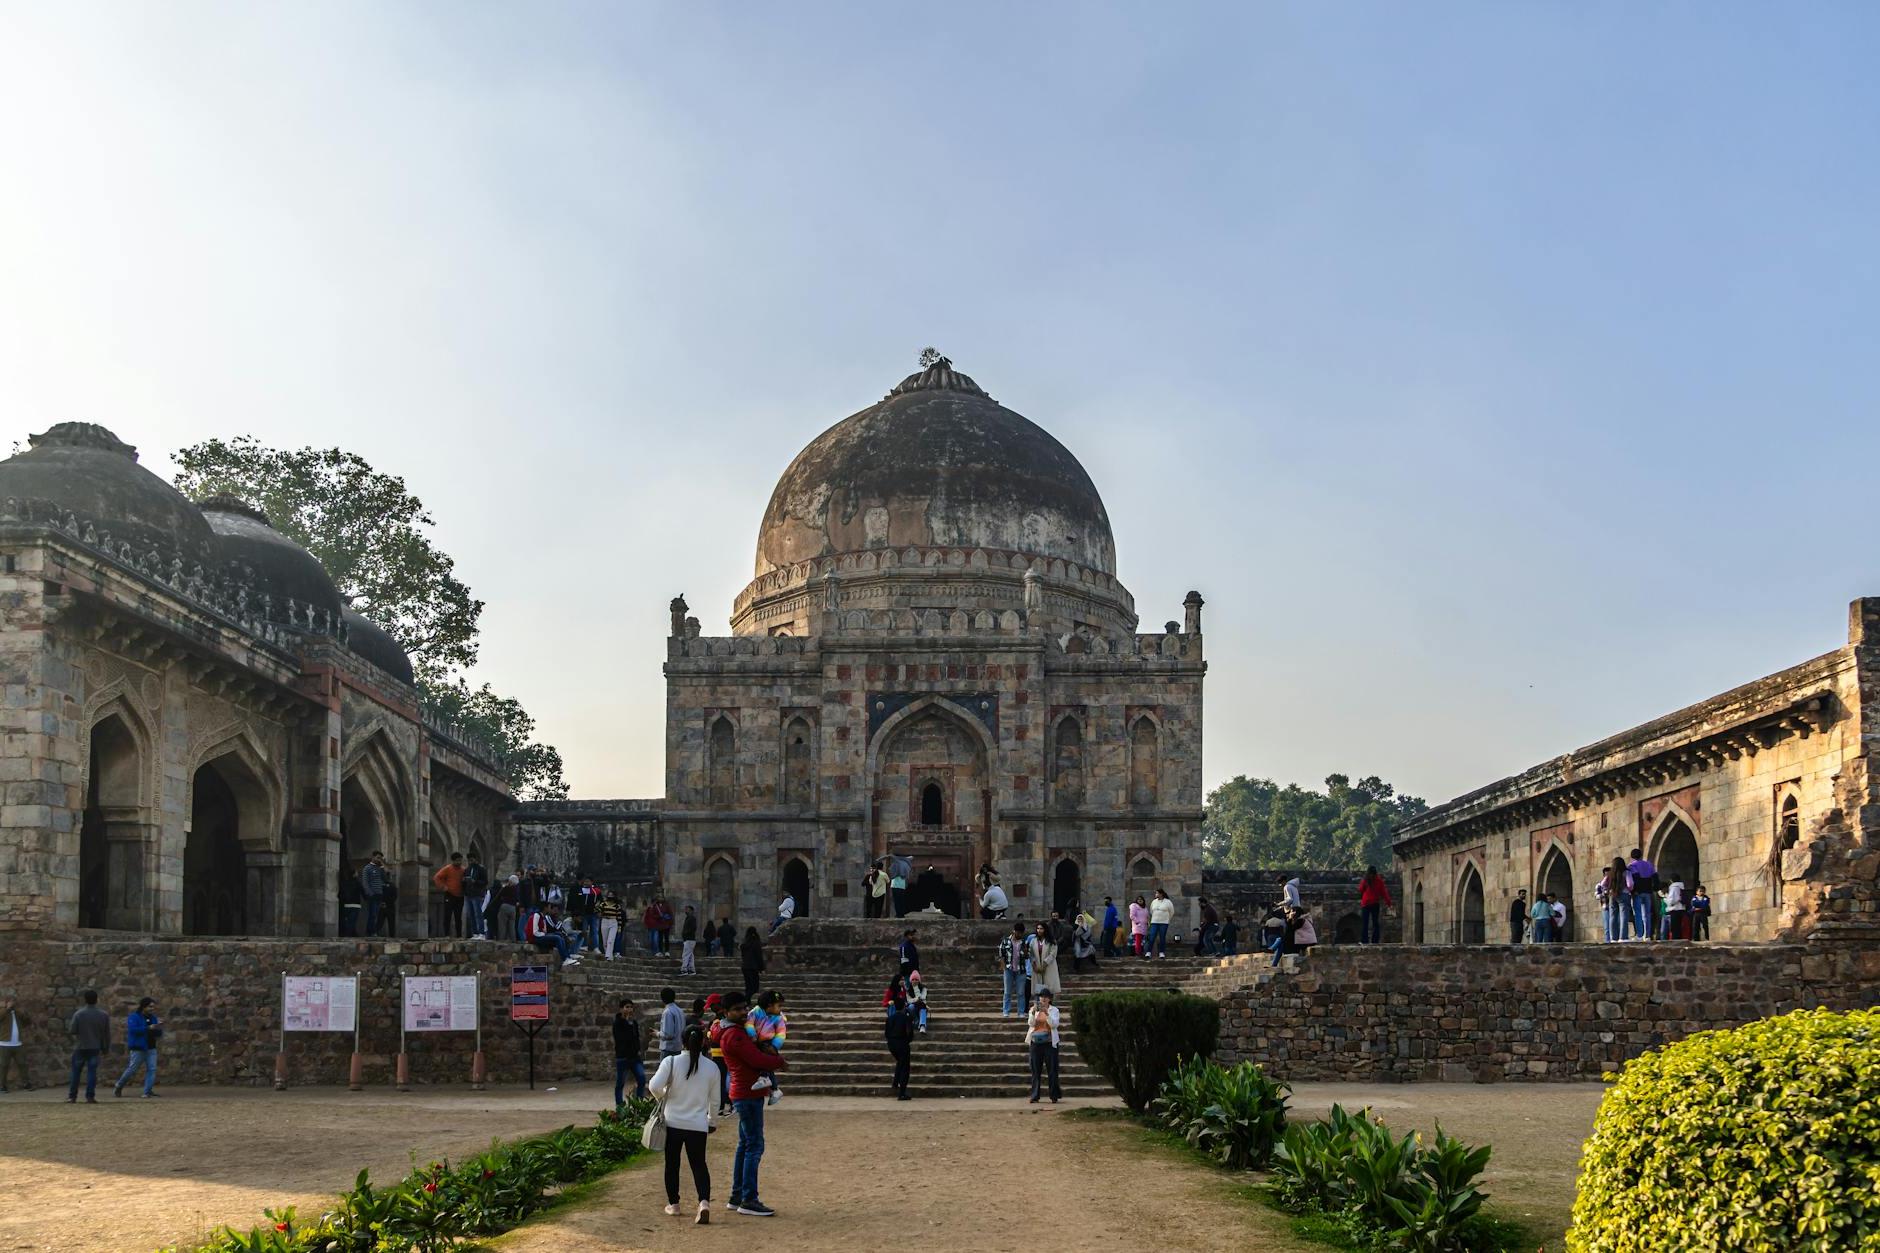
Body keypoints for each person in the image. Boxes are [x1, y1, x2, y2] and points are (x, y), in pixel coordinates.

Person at [717, 992, 786, 1216]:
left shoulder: (737, 1031)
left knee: (745, 1145)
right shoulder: (735, 1035)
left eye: (744, 1008)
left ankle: (738, 1195)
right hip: (747, 1093)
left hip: (746, 1092)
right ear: (725, 1013)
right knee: (754, 1145)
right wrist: (778, 1061)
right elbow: (756, 1059)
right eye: (736, 1009)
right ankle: (749, 1199)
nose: (742, 1012)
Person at [649, 1023, 718, 1224]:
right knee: (699, 1165)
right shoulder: (712, 1067)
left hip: (673, 1122)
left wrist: (664, 1096)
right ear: (704, 1041)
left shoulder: (671, 1062)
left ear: (682, 1041)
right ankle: (704, 1202)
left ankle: (674, 1204)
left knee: (672, 1164)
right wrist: (711, 1121)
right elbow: (715, 1101)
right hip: (697, 1125)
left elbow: (654, 1086)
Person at [744, 990, 789, 1104]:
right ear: (769, 1006)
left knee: (765, 1062)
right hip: (755, 1041)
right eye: (779, 1006)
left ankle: (765, 1079)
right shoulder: (755, 1012)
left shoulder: (779, 1018)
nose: (780, 1009)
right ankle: (774, 1089)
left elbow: (781, 1033)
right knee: (765, 1064)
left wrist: (775, 1046)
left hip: (768, 1043)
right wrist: (752, 1035)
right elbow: (749, 1023)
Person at [113, 997, 161, 1098]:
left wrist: (158, 1028)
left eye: (153, 1007)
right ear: (144, 1007)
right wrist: (148, 1028)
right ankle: (119, 1085)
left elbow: (158, 1033)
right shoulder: (134, 1017)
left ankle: (147, 1091)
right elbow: (133, 1030)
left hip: (151, 1047)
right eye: (150, 1007)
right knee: (132, 1069)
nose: (152, 1009)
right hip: (138, 1047)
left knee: (152, 1069)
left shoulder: (153, 1018)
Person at [66, 989, 109, 1104]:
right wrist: (105, 1048)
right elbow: (106, 1034)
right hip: (95, 1046)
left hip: (81, 1046)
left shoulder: (79, 1014)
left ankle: (72, 1096)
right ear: (96, 1000)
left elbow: (72, 1030)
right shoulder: (103, 1015)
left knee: (76, 1072)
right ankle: (90, 1096)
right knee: (92, 1072)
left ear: (85, 1000)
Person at [1025, 989, 1061, 1104]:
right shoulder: (1034, 1009)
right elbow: (1031, 1024)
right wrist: (1032, 1013)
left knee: (1052, 1069)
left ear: (1049, 999)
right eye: (1041, 997)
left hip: (1050, 1043)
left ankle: (1054, 1095)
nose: (1043, 999)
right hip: (1036, 1042)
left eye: (1045, 997)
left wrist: (1046, 1013)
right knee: (1035, 1069)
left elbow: (1054, 1024)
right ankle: (1035, 1095)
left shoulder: (1054, 1010)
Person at [883, 979, 915, 1100]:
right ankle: (902, 1093)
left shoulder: (890, 1018)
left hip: (891, 1044)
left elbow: (886, 1033)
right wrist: (907, 1041)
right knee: (905, 1066)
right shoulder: (906, 1018)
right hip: (902, 1043)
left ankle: (895, 1082)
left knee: (900, 1062)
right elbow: (909, 1033)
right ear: (903, 1007)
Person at [613, 998, 647, 1105]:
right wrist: (626, 1023)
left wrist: (638, 1050)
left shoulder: (634, 1023)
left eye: (631, 1007)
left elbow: (636, 1038)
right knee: (620, 1083)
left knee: (641, 1079)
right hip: (623, 1057)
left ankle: (638, 1104)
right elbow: (621, 1038)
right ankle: (620, 1106)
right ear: (621, 1009)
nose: (629, 1009)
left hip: (634, 1057)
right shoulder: (617, 1023)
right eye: (627, 1007)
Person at [1626, 847, 1658, 940]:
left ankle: (1639, 935)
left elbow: (1634, 878)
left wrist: (1633, 891)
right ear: (1641, 855)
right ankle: (1647, 935)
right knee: (1647, 914)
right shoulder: (1649, 864)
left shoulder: (1632, 866)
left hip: (1637, 892)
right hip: (1648, 891)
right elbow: (1655, 877)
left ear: (1632, 856)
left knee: (1638, 913)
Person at [432, 852, 465, 938]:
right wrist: (443, 887)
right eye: (458, 860)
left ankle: (459, 935)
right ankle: (446, 934)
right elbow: (437, 877)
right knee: (447, 915)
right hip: (449, 895)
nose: (459, 862)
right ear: (453, 861)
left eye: (460, 860)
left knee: (458, 917)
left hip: (460, 896)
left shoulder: (463, 870)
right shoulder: (447, 868)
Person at [1, 996, 30, 1092]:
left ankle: (26, 1083)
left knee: (23, 1064)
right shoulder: (2, 1011)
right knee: (3, 1065)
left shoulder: (18, 1013)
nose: (12, 1003)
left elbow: (27, 1022)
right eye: (10, 1001)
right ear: (5, 1002)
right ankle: (2, 1086)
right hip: (4, 1044)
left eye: (13, 1001)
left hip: (18, 1044)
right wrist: (7, 1009)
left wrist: (21, 1012)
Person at [998, 924, 1027, 1017]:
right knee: (1007, 992)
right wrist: (1003, 967)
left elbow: (1027, 955)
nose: (1019, 934)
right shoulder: (1006, 941)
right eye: (1018, 932)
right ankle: (1006, 1011)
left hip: (1020, 969)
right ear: (1014, 931)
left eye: (1021, 933)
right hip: (1009, 968)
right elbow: (1001, 954)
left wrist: (1026, 950)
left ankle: (1021, 1012)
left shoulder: (1024, 942)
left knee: (1021, 992)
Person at [1357, 866, 1392, 945]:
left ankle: (1364, 940)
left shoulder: (1366, 880)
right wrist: (1388, 903)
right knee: (1375, 923)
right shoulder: (1378, 880)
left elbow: (1360, 889)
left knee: (1365, 923)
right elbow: (1384, 892)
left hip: (1366, 903)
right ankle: (1375, 941)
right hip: (1374, 903)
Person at [1028, 922, 1062, 998]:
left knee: (1049, 989)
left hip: (1048, 967)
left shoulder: (1051, 941)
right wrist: (1034, 966)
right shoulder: (1033, 941)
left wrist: (1044, 965)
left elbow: (1052, 954)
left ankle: (1049, 1007)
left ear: (1045, 930)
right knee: (1038, 990)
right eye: (1038, 928)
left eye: (1041, 929)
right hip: (1037, 967)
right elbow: (1031, 954)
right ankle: (1038, 1007)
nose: (1039, 930)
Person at [360, 851, 389, 937]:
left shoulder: (379, 868)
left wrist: (382, 867)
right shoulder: (367, 868)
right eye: (378, 857)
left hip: (379, 894)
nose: (379, 859)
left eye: (380, 858)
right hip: (372, 895)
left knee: (376, 915)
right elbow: (365, 882)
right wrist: (370, 893)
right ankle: (371, 932)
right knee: (372, 914)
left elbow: (386, 879)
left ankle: (371, 931)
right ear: (372, 857)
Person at [462, 853, 490, 939]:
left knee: (478, 914)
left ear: (475, 859)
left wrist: (475, 882)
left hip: (477, 894)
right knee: (471, 915)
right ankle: (475, 933)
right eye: (469, 860)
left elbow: (485, 882)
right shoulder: (467, 869)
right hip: (468, 894)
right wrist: (464, 881)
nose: (471, 861)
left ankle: (481, 933)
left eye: (472, 860)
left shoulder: (481, 869)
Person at [658, 987, 685, 1061]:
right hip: (678, 1047)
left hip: (669, 1049)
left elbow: (668, 1035)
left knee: (665, 1071)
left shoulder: (668, 1012)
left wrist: (657, 1034)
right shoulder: (680, 1011)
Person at [1147, 887, 1174, 959]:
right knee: (1152, 937)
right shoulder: (1154, 901)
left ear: (1161, 894)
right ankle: (1148, 952)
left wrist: (1167, 919)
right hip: (1154, 922)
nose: (1156, 894)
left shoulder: (1168, 902)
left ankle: (1161, 952)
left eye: (1157, 893)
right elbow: (1151, 911)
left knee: (1162, 937)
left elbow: (1171, 912)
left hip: (1164, 923)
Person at [738, 927, 766, 997]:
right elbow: (758, 956)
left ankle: (747, 1002)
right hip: (753, 967)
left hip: (745, 967)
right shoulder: (756, 943)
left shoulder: (744, 943)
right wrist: (761, 968)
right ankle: (747, 1001)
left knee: (748, 987)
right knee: (754, 987)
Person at [596, 891, 623, 960]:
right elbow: (597, 911)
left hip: (613, 922)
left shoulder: (617, 906)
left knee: (610, 940)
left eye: (612, 895)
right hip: (605, 921)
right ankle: (608, 955)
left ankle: (608, 956)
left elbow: (619, 917)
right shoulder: (603, 904)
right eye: (609, 895)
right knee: (605, 941)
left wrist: (619, 927)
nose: (610, 896)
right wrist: (597, 907)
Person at [337, 869, 362, 937]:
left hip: (346, 905)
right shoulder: (358, 883)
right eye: (356, 873)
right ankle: (348, 935)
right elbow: (363, 892)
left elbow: (339, 895)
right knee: (352, 921)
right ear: (354, 874)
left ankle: (353, 934)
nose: (358, 874)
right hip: (355, 905)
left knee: (348, 920)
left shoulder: (344, 883)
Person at [1664, 874, 1688, 940]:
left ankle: (1675, 941)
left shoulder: (1674, 888)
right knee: (1679, 927)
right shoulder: (1681, 887)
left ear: (1671, 880)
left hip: (1675, 909)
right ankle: (1679, 939)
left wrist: (1665, 898)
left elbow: (1672, 900)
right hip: (1681, 908)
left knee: (1674, 928)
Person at [680, 906, 699, 975]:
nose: (685, 910)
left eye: (687, 909)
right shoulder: (688, 918)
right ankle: (692, 969)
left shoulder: (692, 918)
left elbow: (693, 928)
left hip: (690, 939)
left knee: (685, 955)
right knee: (690, 956)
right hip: (688, 939)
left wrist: (686, 933)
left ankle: (684, 969)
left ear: (691, 911)